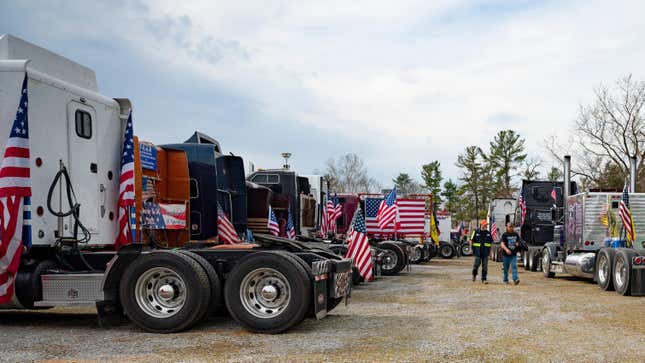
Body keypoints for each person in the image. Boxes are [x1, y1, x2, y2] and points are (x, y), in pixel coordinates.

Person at [470, 219, 493, 284]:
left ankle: (484, 279)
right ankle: (474, 275)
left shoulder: (488, 233)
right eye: (485, 224)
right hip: (477, 251)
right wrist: (470, 249)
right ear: (481, 225)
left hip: (485, 252)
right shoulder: (476, 231)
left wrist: (491, 252)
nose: (486, 226)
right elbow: (471, 240)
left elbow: (490, 243)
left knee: (485, 266)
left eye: (486, 225)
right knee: (476, 265)